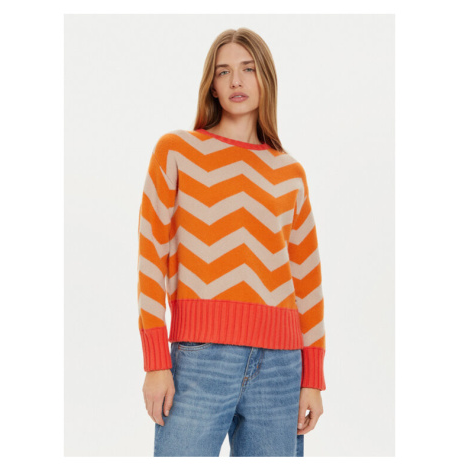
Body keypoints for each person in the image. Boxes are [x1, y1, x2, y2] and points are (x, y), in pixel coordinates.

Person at [137, 27, 326, 457]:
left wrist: (312, 377)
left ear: (266, 79)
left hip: (281, 367)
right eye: (223, 72)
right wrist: (156, 362)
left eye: (248, 69)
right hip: (200, 360)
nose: (236, 81)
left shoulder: (290, 172)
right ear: (212, 85)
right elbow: (151, 256)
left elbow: (307, 281)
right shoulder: (177, 151)